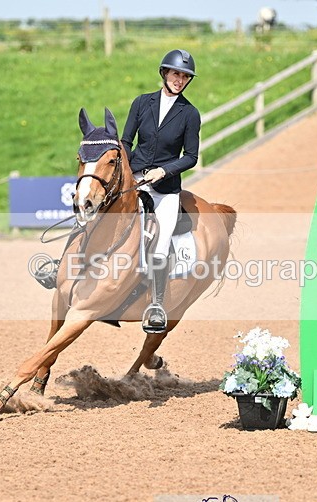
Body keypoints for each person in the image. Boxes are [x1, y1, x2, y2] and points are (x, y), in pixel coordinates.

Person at [121, 49, 200, 334]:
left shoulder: (189, 114)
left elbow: (191, 156)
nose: (180, 79)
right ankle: (63, 268)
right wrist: (129, 174)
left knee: (162, 240)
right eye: (176, 73)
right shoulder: (142, 103)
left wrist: (164, 171)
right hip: (135, 180)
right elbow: (126, 141)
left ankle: (156, 305)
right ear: (164, 73)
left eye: (185, 76)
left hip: (165, 190)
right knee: (102, 216)